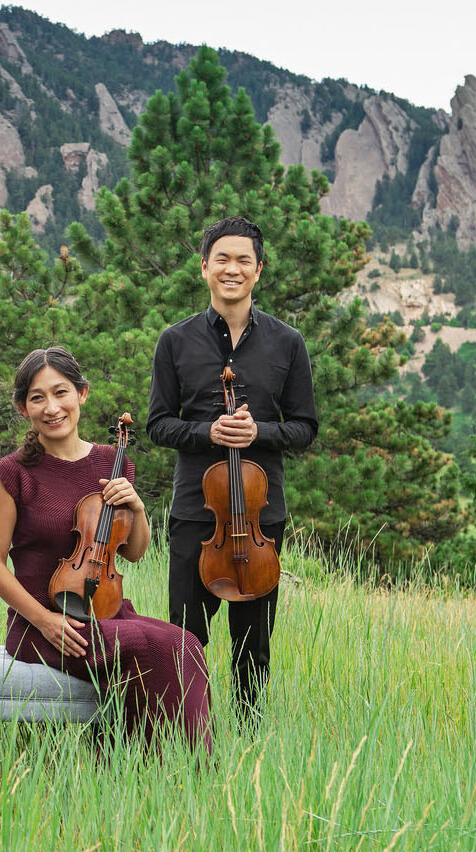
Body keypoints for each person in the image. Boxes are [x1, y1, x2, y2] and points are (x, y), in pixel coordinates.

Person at [0, 347, 212, 751]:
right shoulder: (11, 474)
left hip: (106, 613)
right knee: (165, 648)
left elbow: (134, 552)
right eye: (37, 397)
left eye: (61, 392)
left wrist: (136, 507)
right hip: (45, 627)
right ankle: (167, 767)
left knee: (187, 643)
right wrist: (44, 621)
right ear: (23, 408)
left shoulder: (111, 461)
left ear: (82, 394)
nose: (52, 407)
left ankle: (170, 768)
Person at [147, 216, 317, 726]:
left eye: (244, 259)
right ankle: (182, 738)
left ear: (259, 271)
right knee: (184, 640)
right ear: (204, 268)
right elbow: (158, 424)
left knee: (253, 645)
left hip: (262, 517)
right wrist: (208, 433)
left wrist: (259, 433)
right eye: (222, 258)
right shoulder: (175, 341)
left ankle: (249, 737)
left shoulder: (288, 343)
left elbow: (305, 426)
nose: (232, 269)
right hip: (198, 514)